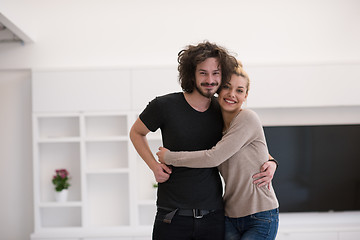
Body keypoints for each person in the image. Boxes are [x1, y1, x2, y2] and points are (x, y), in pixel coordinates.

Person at [129, 41, 277, 240]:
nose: (210, 79)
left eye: (216, 73)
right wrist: (154, 166)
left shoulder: (223, 110)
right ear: (191, 74)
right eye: (203, 73)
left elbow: (246, 145)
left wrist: (272, 162)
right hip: (172, 215)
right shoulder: (164, 106)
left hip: (213, 217)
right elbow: (136, 132)